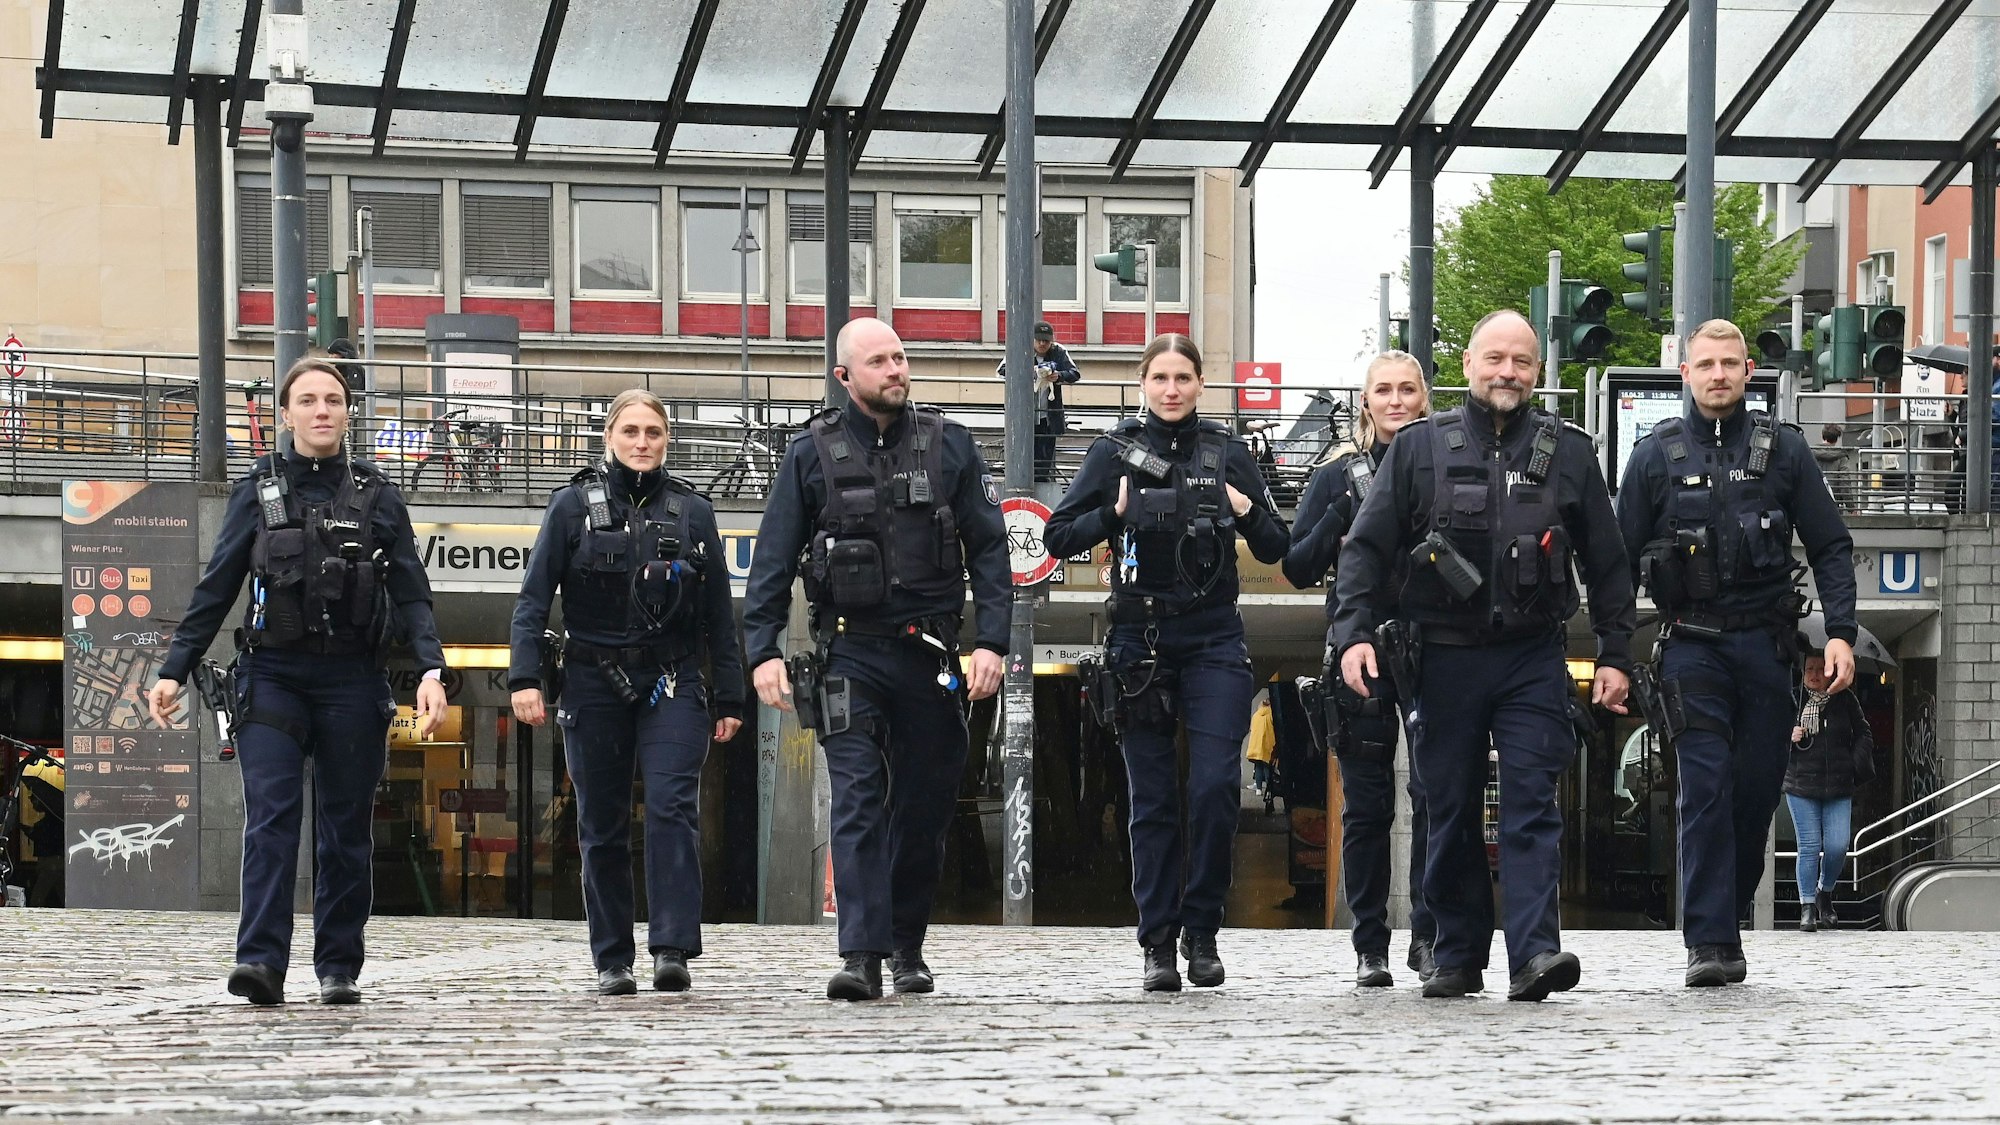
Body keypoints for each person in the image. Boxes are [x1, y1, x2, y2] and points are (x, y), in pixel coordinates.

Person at [1335, 310, 1635, 1002]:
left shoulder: (1570, 451)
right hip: (1442, 657)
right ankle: (1458, 952)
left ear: (1537, 372)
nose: (1507, 372)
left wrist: (1616, 652)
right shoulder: (1419, 449)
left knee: (1532, 802)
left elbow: (1610, 563)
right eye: (1495, 358)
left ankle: (1535, 953)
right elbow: (1365, 549)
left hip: (1532, 656)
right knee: (1447, 806)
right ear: (1467, 363)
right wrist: (1352, 633)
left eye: (1522, 361)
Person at [147, 355, 447, 1006]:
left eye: (332, 400)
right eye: (307, 399)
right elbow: (217, 584)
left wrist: (430, 670)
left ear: (347, 412)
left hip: (351, 679)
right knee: (272, 820)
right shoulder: (258, 488)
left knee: (344, 829)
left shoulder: (378, 494)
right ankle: (260, 960)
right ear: (285, 415)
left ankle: (338, 965)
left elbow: (413, 593)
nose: (320, 410)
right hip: (274, 676)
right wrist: (173, 669)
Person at [743, 317, 1008, 1001]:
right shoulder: (810, 454)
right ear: (845, 378)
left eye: (900, 357)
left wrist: (993, 641)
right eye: (879, 361)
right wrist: (762, 651)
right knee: (856, 797)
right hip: (849, 651)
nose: (895, 369)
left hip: (931, 654)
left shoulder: (950, 446)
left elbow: (990, 550)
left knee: (922, 808)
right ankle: (860, 953)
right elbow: (772, 560)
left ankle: (906, 946)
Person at [1045, 332, 1291, 992]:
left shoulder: (1227, 451)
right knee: (1151, 800)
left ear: (1201, 385)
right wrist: (1112, 512)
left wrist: (1243, 506)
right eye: (1161, 377)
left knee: (1213, 789)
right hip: (1139, 642)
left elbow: (1278, 547)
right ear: (1144, 383)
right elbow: (1056, 535)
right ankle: (1157, 942)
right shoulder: (1113, 452)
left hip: (1213, 638)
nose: (1173, 388)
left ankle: (1202, 930)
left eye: (1184, 377)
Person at [1616, 318, 1857, 987]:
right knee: (1704, 789)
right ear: (1685, 374)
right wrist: (1611, 649)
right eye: (1705, 364)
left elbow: (1832, 545)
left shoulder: (1784, 451)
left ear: (1750, 371)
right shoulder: (1654, 456)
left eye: (1730, 363)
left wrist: (1839, 629)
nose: (1718, 375)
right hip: (1691, 648)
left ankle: (1724, 911)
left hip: (1764, 647)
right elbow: (1615, 559)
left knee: (1752, 799)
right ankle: (1710, 941)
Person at [508, 389, 747, 996]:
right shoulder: (570, 507)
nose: (643, 443)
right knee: (601, 823)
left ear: (668, 440)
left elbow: (720, 612)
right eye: (632, 432)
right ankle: (613, 958)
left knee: (671, 808)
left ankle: (672, 948)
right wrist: (525, 678)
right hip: (591, 681)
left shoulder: (693, 512)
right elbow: (533, 601)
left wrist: (730, 697)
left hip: (671, 679)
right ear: (609, 437)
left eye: (654, 433)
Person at [1281, 350, 1436, 988]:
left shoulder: (1443, 463)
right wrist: (1343, 519)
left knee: (1436, 798)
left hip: (1433, 648)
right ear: (1366, 401)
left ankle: (1429, 936)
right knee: (1367, 808)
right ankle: (1370, 942)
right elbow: (1295, 566)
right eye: (1383, 390)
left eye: (1407, 389)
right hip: (1358, 650)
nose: (1395, 400)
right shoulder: (1337, 476)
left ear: (1424, 399)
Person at [1785, 651, 1874, 933]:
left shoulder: (1845, 699)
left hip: (1838, 784)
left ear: (1829, 672)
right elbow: (1767, 734)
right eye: (1808, 668)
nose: (1813, 674)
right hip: (1800, 784)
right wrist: (1787, 734)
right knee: (1809, 846)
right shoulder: (1792, 699)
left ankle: (1825, 891)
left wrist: (1853, 764)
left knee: (1837, 846)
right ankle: (1807, 907)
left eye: (1820, 669)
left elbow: (1864, 733)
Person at [998, 321, 1082, 482]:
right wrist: (1027, 372)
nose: (1042, 344)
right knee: (1022, 452)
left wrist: (1059, 375)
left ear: (1052, 340)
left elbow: (1074, 373)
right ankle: (1022, 482)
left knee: (1045, 455)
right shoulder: (1019, 348)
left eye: (1046, 341)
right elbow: (1001, 371)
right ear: (1032, 339)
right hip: (1023, 414)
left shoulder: (1059, 351)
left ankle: (1042, 481)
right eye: (1039, 340)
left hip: (1048, 414)